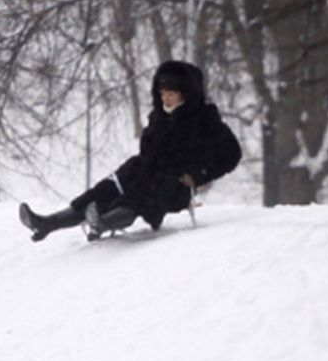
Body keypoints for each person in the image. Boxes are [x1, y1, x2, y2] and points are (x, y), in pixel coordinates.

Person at [19, 60, 242, 242]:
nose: (165, 98)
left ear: (185, 93)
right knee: (105, 190)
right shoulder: (158, 117)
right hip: (143, 169)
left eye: (171, 93)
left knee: (143, 192)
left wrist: (198, 174)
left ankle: (103, 222)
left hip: (176, 184)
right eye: (162, 92)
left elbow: (232, 154)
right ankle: (48, 223)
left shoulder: (204, 118)